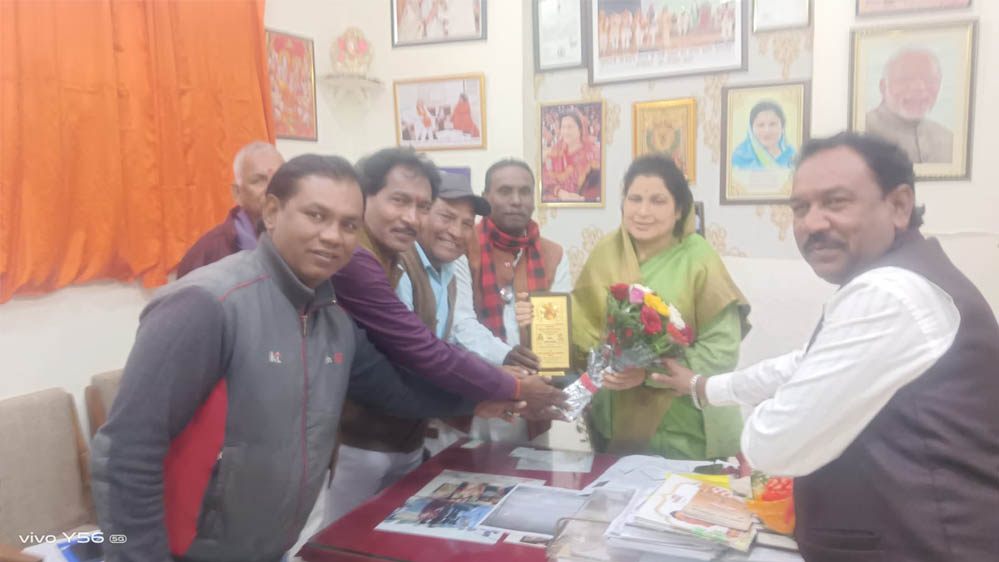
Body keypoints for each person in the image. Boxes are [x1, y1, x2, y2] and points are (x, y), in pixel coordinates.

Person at [90, 154, 518, 562]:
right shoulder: (207, 304)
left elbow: (391, 389)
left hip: (275, 546)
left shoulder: (331, 315)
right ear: (272, 212)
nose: (333, 236)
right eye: (316, 216)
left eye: (348, 225)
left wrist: (476, 402)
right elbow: (125, 451)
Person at [655, 133, 999, 561]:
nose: (813, 224)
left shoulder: (890, 293)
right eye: (801, 208)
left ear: (898, 205)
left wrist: (778, 413)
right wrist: (705, 387)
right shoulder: (897, 277)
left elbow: (773, 445)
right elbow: (804, 363)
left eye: (836, 202)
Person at [327, 149, 566, 522]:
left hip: (413, 432)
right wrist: (509, 385)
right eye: (401, 201)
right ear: (365, 196)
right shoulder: (369, 260)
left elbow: (438, 346)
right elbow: (421, 354)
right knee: (339, 535)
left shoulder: (443, 268)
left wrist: (503, 387)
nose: (455, 231)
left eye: (466, 223)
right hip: (364, 440)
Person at [572, 153, 749, 459]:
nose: (643, 211)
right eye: (635, 199)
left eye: (658, 201)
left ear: (679, 210)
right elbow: (581, 328)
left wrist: (647, 372)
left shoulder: (699, 259)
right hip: (616, 428)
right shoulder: (605, 252)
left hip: (686, 431)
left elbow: (721, 352)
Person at [175, 141, 284, 277]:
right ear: (237, 193)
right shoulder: (206, 255)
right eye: (258, 181)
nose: (271, 189)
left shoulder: (302, 241)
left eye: (279, 178)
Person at [866, 48, 953, 164]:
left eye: (929, 80)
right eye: (905, 79)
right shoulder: (862, 131)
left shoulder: (948, 138)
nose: (919, 87)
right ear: (883, 86)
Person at [542, 112, 602, 202]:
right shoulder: (556, 151)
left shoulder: (593, 155)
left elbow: (596, 191)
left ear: (580, 129)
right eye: (563, 127)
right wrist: (560, 192)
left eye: (570, 127)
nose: (566, 131)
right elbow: (545, 176)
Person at [731, 101, 796, 171]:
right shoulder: (740, 157)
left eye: (772, 124)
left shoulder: (793, 156)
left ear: (782, 127)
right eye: (760, 125)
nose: (767, 131)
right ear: (751, 129)